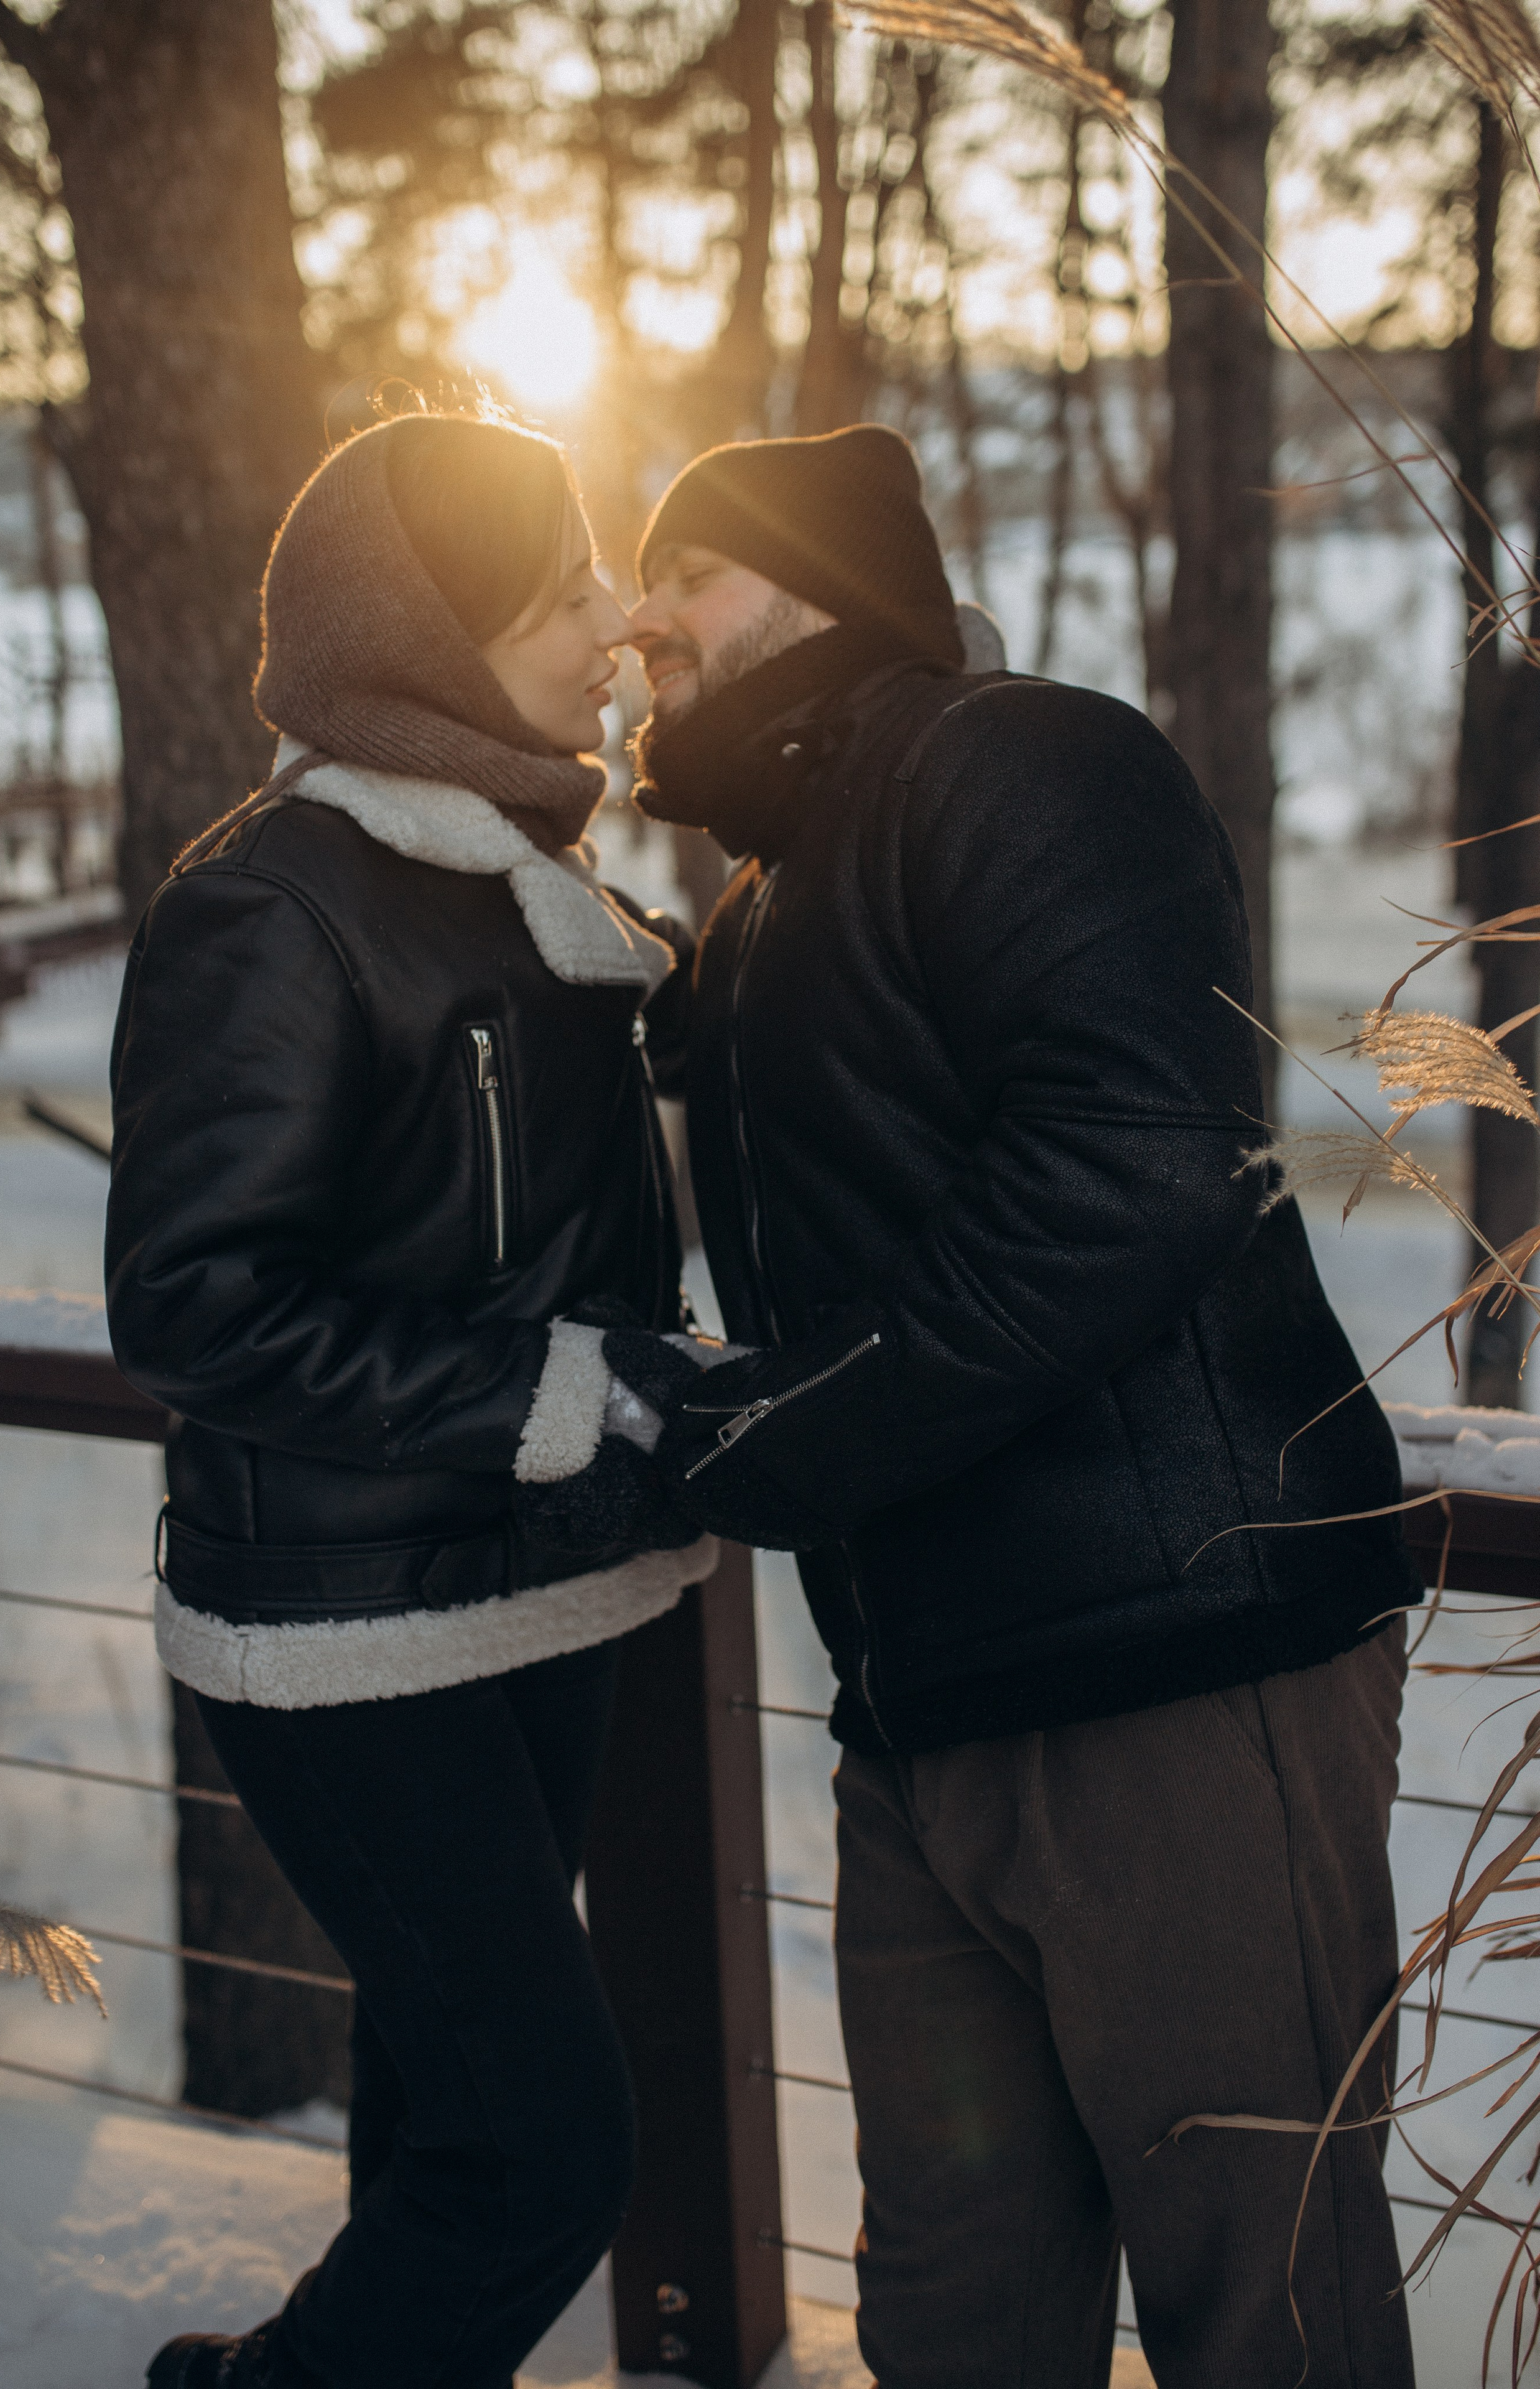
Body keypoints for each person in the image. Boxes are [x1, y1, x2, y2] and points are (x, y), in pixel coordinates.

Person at [547, 424, 1421, 2387]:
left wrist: (777, 1435)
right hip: (927, 1723)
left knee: (1263, 2308)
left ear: (813, 580)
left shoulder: (1021, 759)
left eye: (683, 568)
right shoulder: (768, 904)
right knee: (954, 2314)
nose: (639, 614)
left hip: (1180, 1687)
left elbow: (1136, 1166)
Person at [106, 411, 716, 2389]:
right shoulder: (279, 903)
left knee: (442, 2121)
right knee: (551, 2148)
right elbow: (192, 1302)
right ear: (429, 645)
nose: (613, 625)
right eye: (558, 601)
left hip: (524, 1591)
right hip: (347, 1633)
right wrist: (544, 1391)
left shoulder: (536, 890)